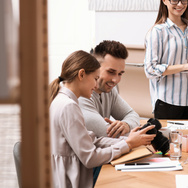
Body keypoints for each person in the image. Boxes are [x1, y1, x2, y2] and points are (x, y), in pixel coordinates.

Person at [50, 50, 155, 188]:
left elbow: (92, 140)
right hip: (72, 181)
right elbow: (90, 158)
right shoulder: (69, 106)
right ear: (81, 74)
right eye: (95, 78)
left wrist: (128, 141)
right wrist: (127, 145)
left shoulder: (63, 100)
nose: (95, 85)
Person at [79, 40, 140, 138]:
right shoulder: (81, 96)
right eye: (111, 72)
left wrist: (126, 125)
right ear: (94, 67)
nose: (115, 80)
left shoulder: (109, 90)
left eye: (120, 74)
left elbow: (131, 114)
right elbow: (110, 135)